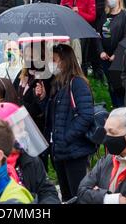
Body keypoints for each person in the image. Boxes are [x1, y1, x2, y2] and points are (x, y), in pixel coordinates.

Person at [35, 44, 96, 202]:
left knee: (79, 196)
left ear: (65, 61)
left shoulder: (78, 83)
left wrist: (66, 137)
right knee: (67, 197)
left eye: (53, 60)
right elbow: (56, 116)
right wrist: (43, 99)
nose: (50, 64)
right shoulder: (59, 83)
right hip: (60, 151)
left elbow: (86, 116)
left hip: (74, 151)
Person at [98, 0, 126, 108]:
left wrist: (117, 54)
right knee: (110, 83)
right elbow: (97, 34)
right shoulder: (104, 15)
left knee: (119, 84)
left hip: (119, 56)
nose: (109, 0)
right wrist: (101, 51)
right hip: (105, 56)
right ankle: (115, 107)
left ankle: (122, 107)